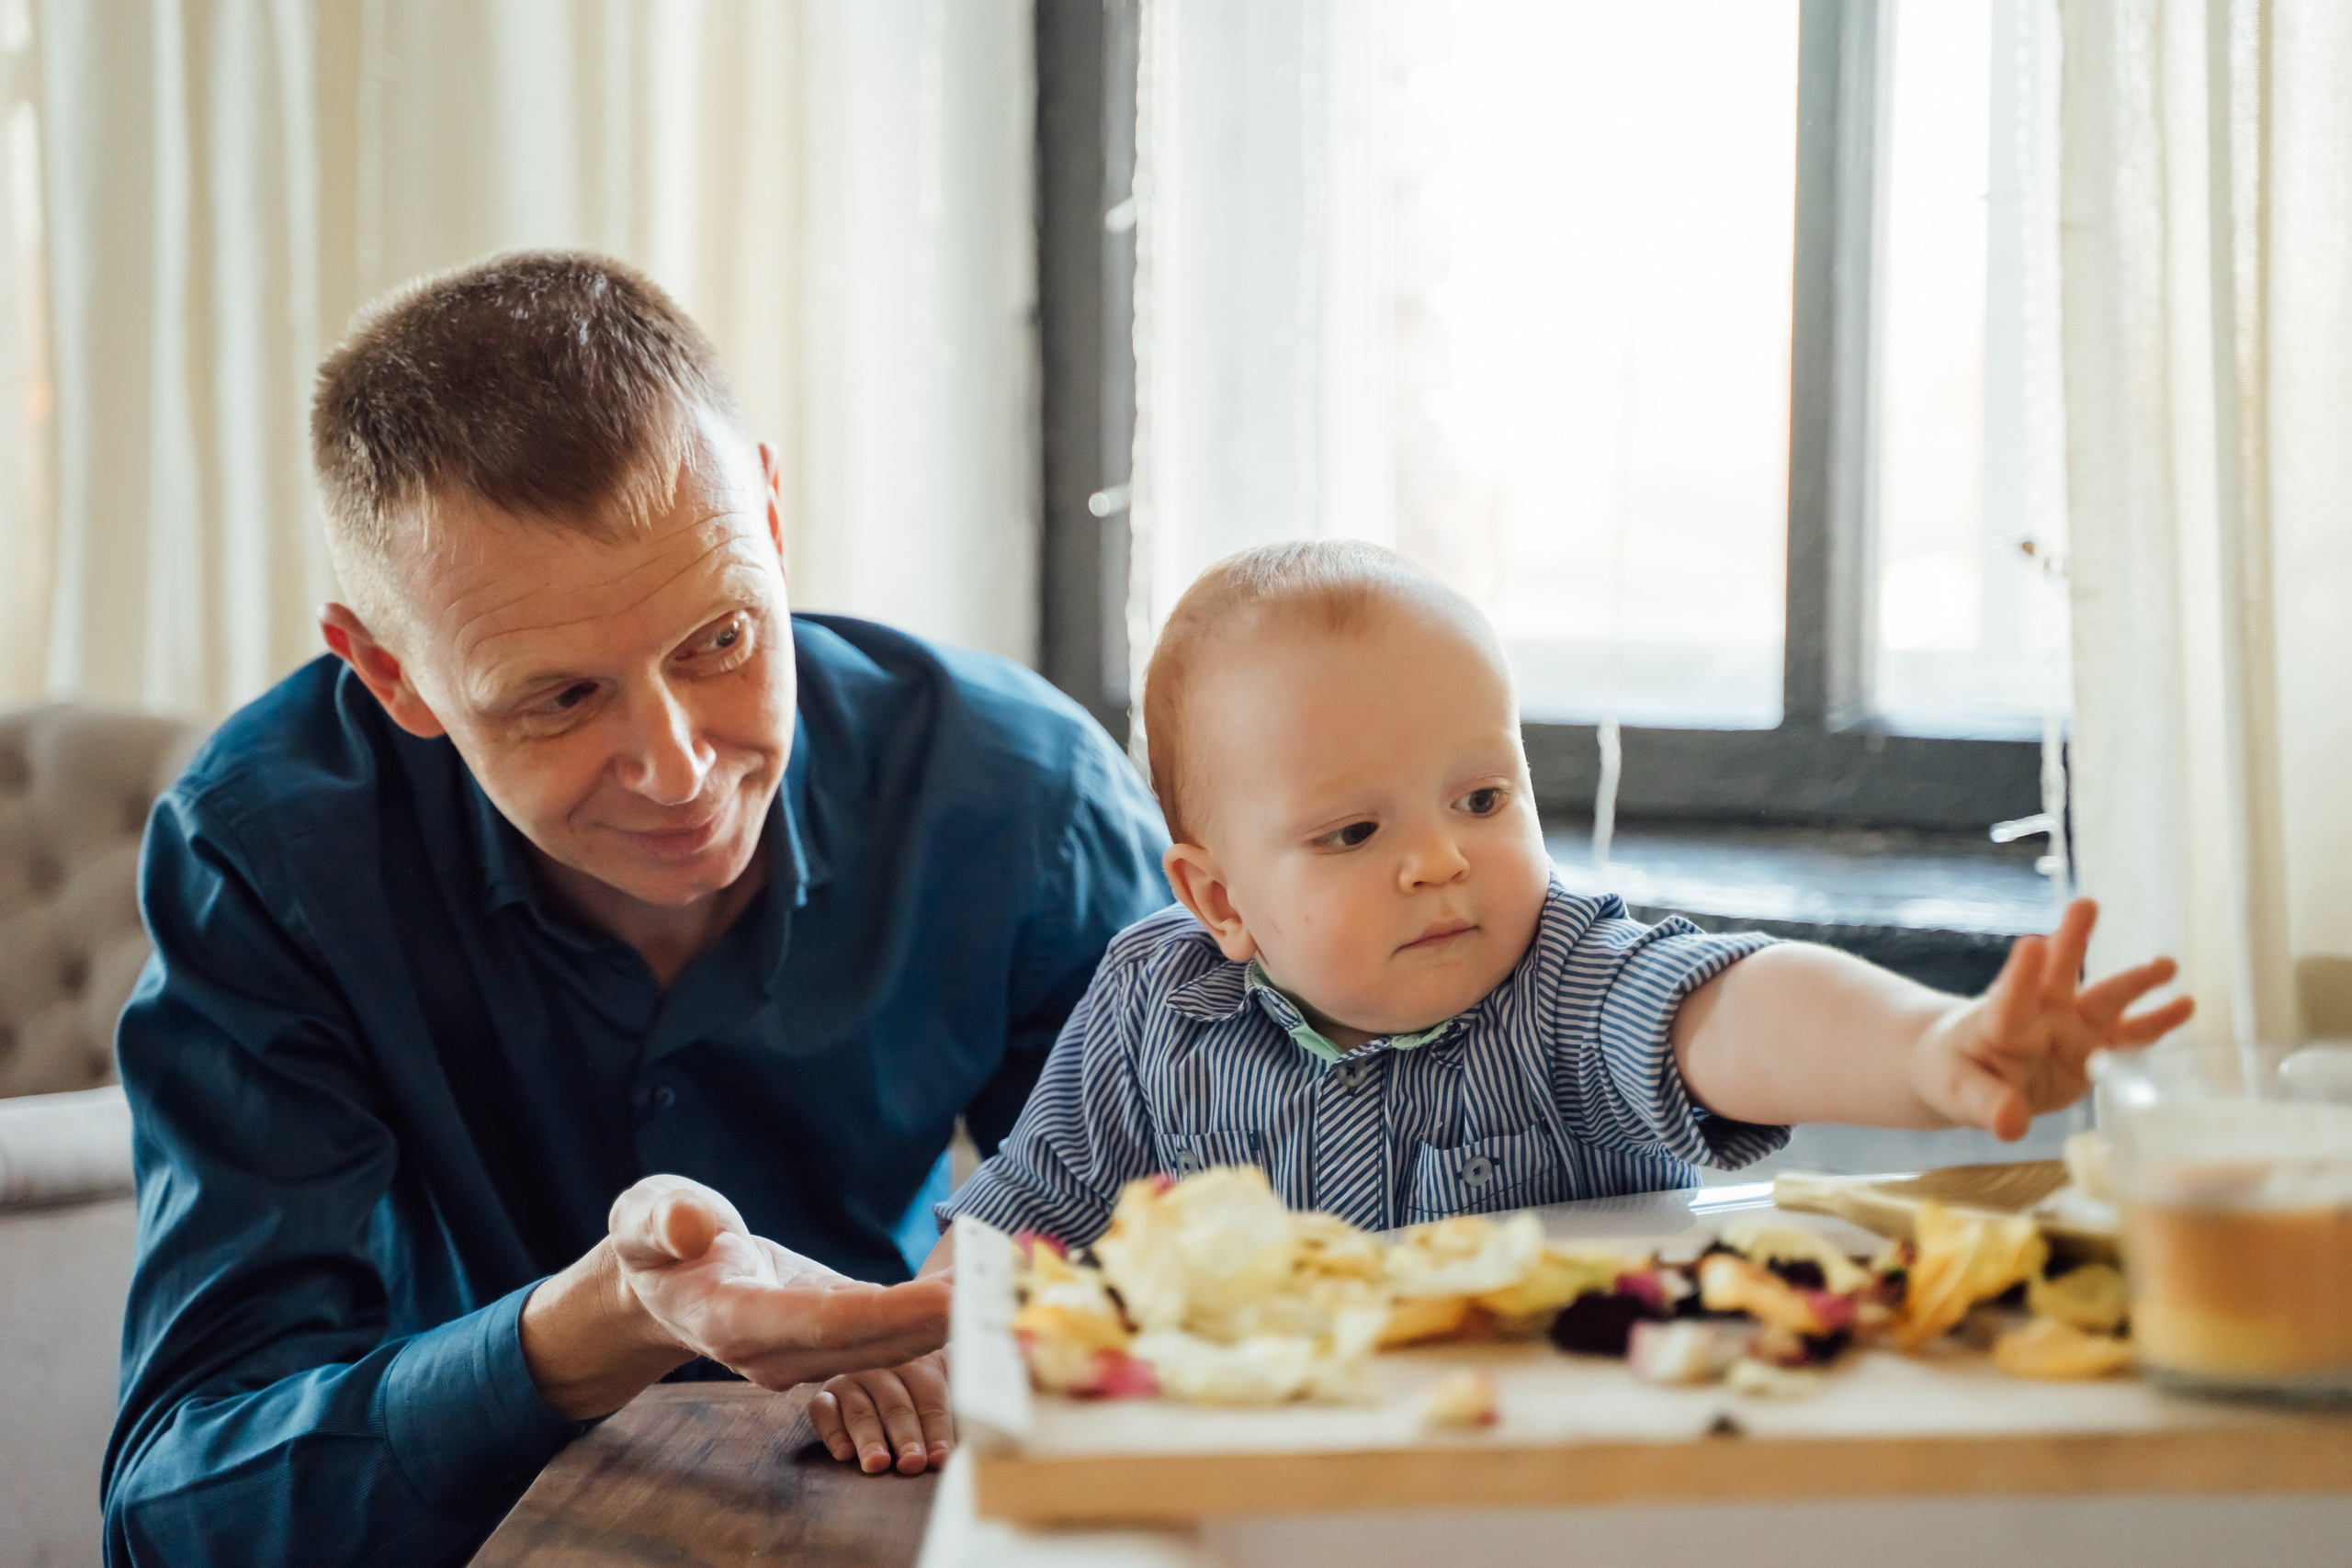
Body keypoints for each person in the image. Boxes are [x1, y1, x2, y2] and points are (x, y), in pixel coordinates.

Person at [100, 252, 1170, 1567]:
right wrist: (593, 1330)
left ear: (770, 525)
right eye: (557, 699)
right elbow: (175, 1513)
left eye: (719, 637)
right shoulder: (267, 851)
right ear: (393, 675)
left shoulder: (1024, 798)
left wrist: (991, 1332)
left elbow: (1202, 1304)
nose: (678, 769)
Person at [821, 540, 2191, 1425]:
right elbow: (1020, 1226)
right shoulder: (1150, 1010)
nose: (1438, 862)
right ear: (1221, 899)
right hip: (1258, 1489)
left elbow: (1735, 1009)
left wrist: (1931, 1045)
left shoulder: (1562, 979)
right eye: (1354, 833)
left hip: (1559, 1489)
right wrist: (897, 1353)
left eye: (1481, 796)